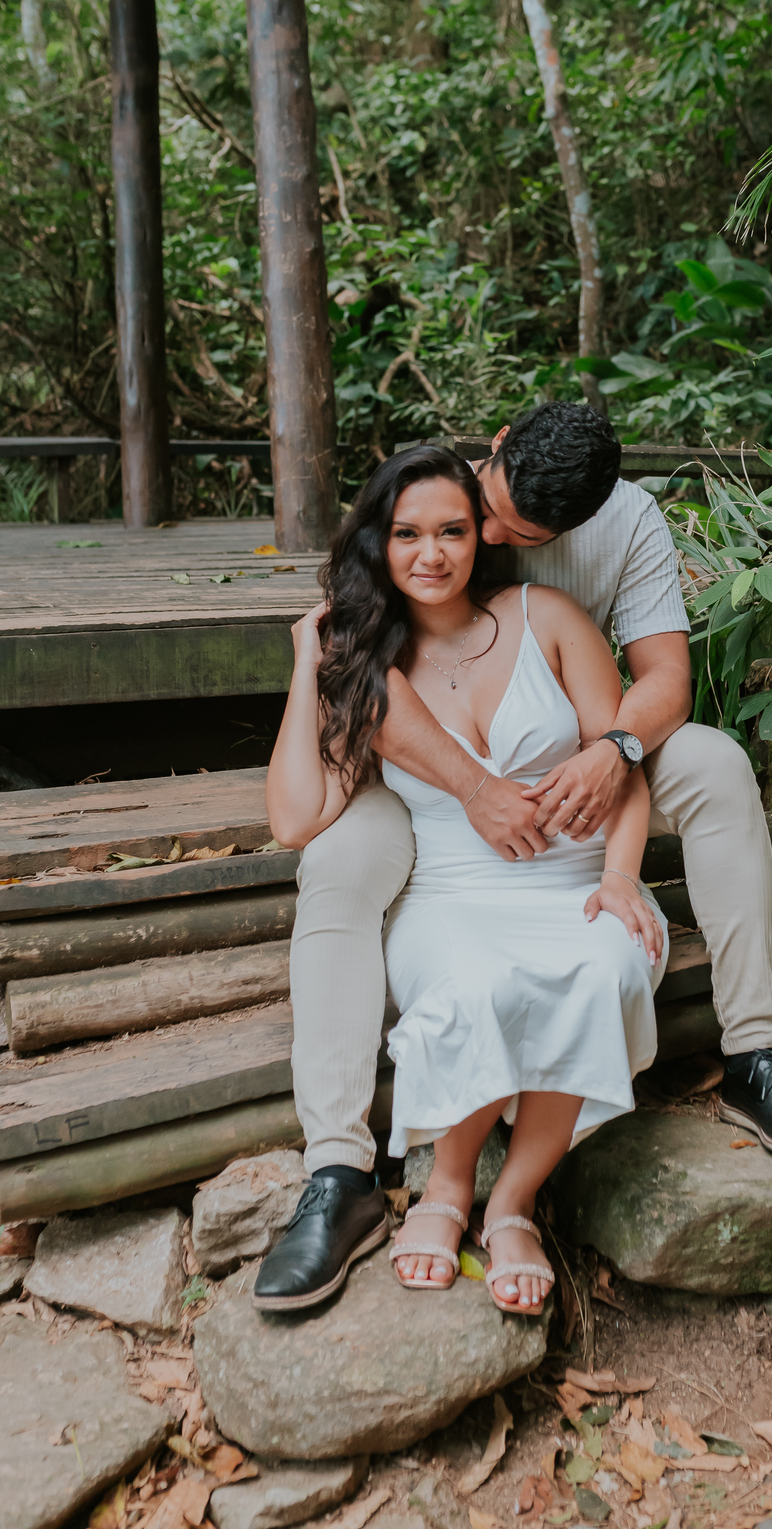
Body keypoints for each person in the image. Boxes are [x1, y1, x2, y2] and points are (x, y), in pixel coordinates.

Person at [253, 402, 772, 1313]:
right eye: (469, 517)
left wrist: (614, 761)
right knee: (334, 862)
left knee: (717, 765)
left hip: (584, 771)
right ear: (492, 451)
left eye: (490, 532)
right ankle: (339, 1169)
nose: (477, 541)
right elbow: (311, 787)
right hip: (430, 810)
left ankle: (753, 1055)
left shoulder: (608, 543)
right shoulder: (400, 578)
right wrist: (327, 668)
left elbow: (666, 680)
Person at [265, 445, 668, 1313]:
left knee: (602, 963)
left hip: (577, 878)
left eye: (451, 530)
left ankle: (513, 1201)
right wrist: (306, 657)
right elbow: (296, 818)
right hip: (449, 894)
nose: (432, 553)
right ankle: (447, 1188)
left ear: (479, 536)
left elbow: (622, 769)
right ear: (379, 542)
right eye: (407, 533)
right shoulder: (369, 661)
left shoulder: (546, 616)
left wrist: (623, 879)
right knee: (476, 982)